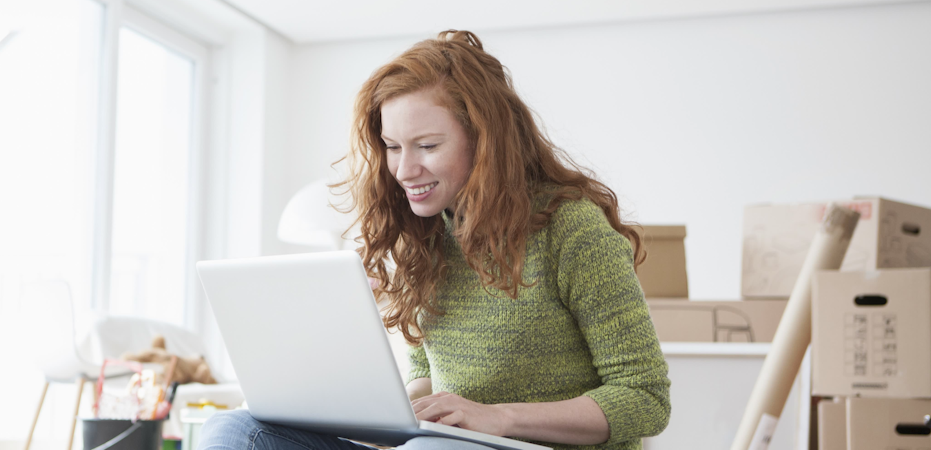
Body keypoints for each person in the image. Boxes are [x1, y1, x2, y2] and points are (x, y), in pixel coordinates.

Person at [198, 30, 670, 450]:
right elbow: (429, 378)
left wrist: (500, 418)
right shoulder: (423, 236)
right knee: (235, 431)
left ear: (485, 140)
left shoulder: (571, 229)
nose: (405, 170)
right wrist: (380, 412)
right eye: (393, 147)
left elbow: (645, 397)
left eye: (427, 146)